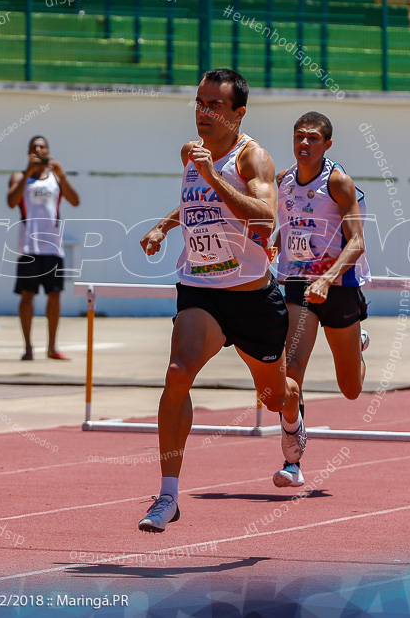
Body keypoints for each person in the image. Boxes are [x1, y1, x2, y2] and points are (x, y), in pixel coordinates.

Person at [136, 69, 301, 533]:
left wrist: (212, 173)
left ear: (238, 113)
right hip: (201, 290)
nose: (203, 112)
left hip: (252, 299)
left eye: (215, 105)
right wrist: (165, 226)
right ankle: (168, 495)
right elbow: (196, 204)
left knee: (273, 395)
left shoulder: (255, 159)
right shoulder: (192, 154)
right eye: (199, 102)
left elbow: (265, 213)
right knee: (177, 373)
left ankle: (292, 417)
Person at [274, 111, 370, 488]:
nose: (304, 144)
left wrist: (328, 278)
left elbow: (358, 241)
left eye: (313, 138)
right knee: (292, 367)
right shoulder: (283, 181)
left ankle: (358, 348)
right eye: (299, 136)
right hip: (299, 284)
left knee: (350, 389)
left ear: (327, 144)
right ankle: (292, 459)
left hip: (339, 285)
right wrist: (271, 244)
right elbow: (288, 227)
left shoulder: (338, 182)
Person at [6, 136, 81, 360]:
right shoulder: (20, 177)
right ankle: (28, 347)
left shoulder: (55, 179)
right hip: (28, 246)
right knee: (27, 295)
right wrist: (28, 173)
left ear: (48, 150)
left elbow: (75, 201)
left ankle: (52, 347)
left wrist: (61, 173)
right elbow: (11, 201)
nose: (38, 150)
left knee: (54, 295)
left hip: (53, 248)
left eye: (42, 147)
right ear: (29, 152)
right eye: (34, 147)